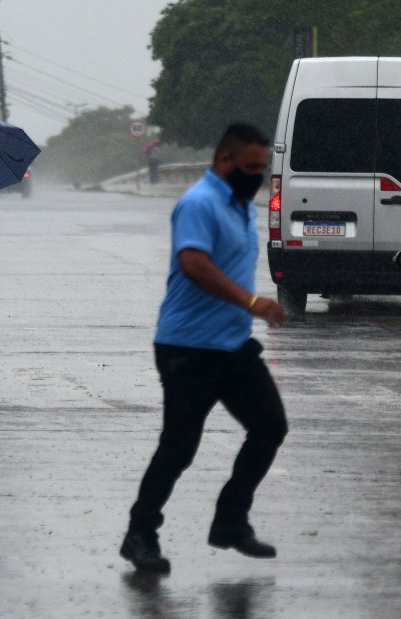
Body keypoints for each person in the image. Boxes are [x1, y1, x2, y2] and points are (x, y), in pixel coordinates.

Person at [120, 123, 289, 573]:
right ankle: (140, 535)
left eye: (262, 167)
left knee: (270, 426)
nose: (257, 175)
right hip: (187, 347)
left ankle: (230, 521)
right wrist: (253, 302)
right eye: (251, 167)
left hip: (231, 345)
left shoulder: (238, 206)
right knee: (179, 447)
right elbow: (194, 265)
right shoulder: (199, 202)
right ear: (224, 160)